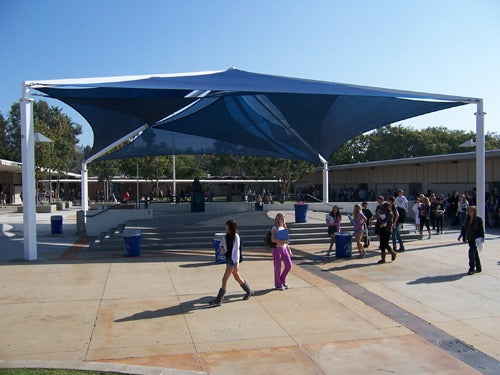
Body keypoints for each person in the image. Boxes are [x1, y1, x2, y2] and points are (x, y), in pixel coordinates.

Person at [210, 219, 253, 306]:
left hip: (232, 261)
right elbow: (223, 245)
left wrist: (236, 263)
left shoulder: (236, 237)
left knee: (224, 278)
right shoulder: (226, 236)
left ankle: (219, 299)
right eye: (226, 227)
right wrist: (222, 248)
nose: (226, 229)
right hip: (228, 258)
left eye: (228, 227)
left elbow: (236, 250)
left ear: (231, 227)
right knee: (237, 277)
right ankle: (249, 291)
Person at [459, 206, 484, 275]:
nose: (469, 212)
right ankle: (478, 267)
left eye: (471, 210)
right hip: (470, 238)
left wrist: (482, 238)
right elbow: (464, 228)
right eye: (469, 210)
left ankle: (471, 268)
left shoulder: (478, 219)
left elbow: (481, 229)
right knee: (475, 252)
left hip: (476, 239)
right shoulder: (468, 219)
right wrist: (461, 236)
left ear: (474, 211)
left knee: (471, 252)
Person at [271, 213, 293, 290]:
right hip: (277, 249)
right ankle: (278, 284)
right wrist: (281, 241)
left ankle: (282, 279)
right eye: (281, 218)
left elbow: (287, 242)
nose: (283, 219)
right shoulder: (274, 228)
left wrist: (289, 250)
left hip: (284, 249)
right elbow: (272, 239)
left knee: (289, 265)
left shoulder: (284, 228)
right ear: (277, 219)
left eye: (283, 218)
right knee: (278, 267)